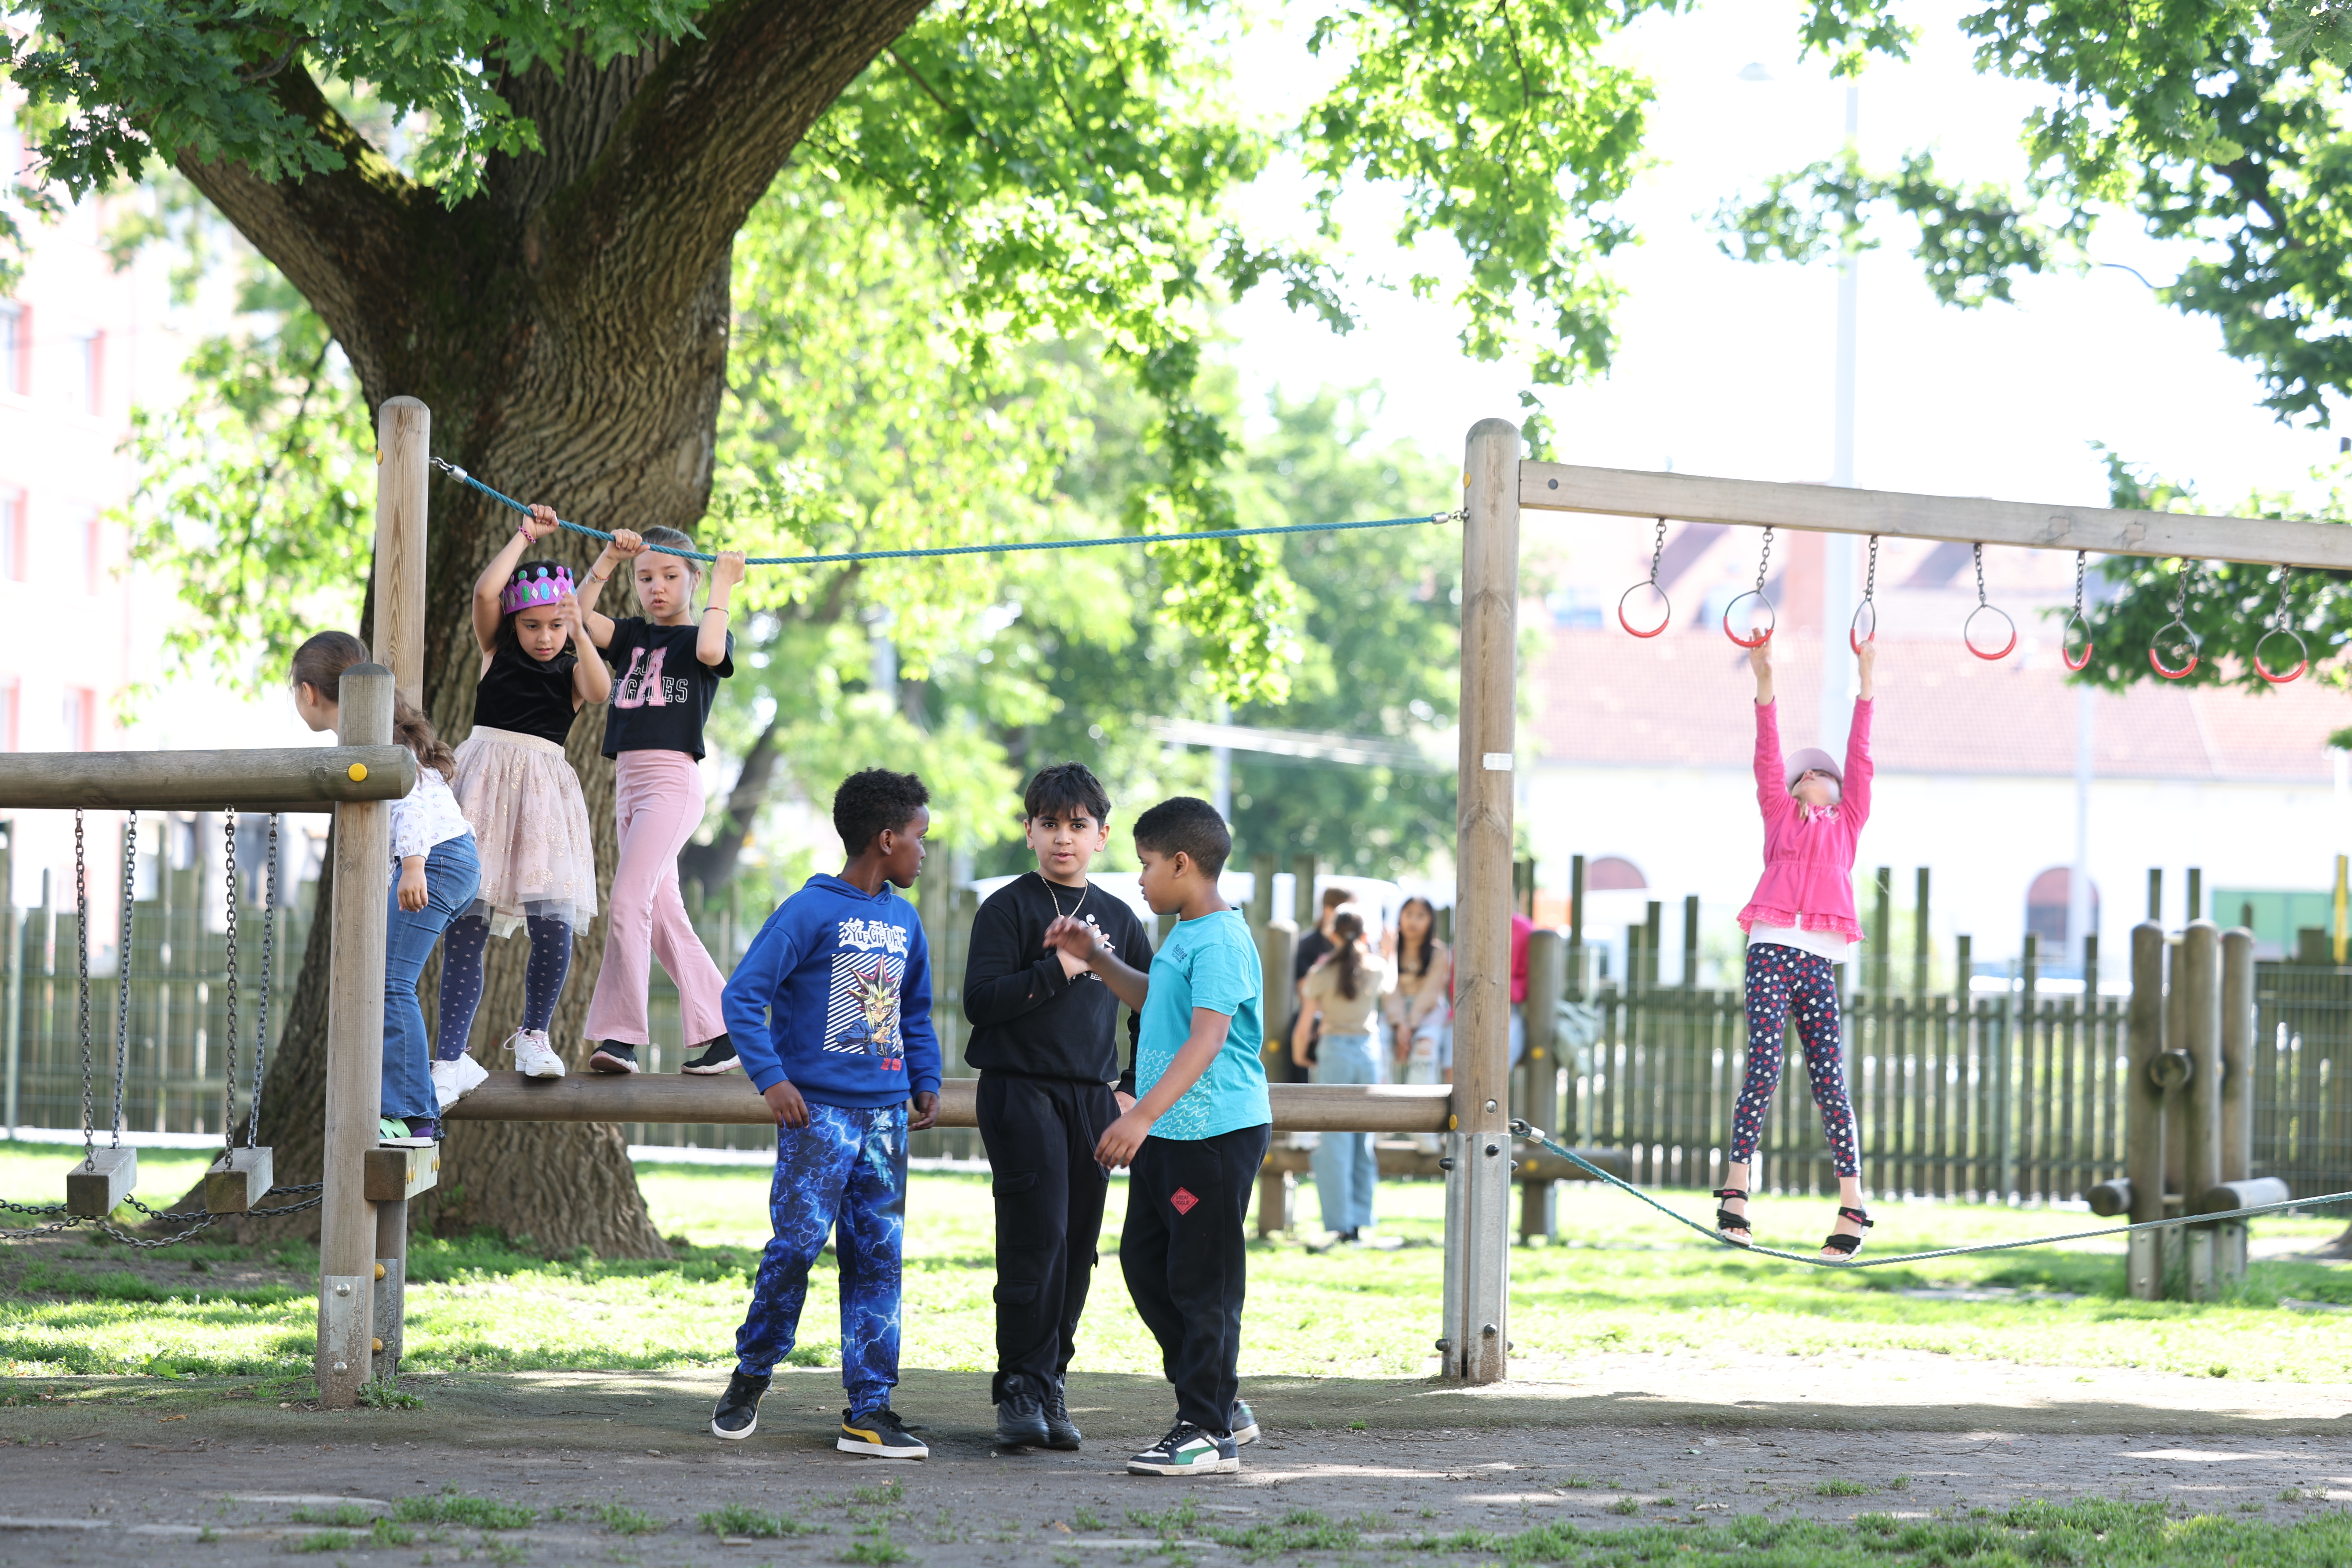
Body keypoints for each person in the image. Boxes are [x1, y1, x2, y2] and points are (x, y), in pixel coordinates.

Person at [707, 769, 943, 1458]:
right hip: (818, 1120)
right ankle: (751, 1376)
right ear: (887, 838)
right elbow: (744, 998)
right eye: (920, 837)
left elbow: (916, 1009)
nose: (925, 851)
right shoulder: (809, 912)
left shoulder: (905, 918)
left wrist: (924, 1078)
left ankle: (870, 1410)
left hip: (888, 1121)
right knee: (795, 1251)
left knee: (878, 1258)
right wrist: (772, 1080)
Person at [1044, 797, 1269, 1477]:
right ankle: (1219, 1403)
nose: (1138, 880)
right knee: (1147, 1265)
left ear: (1181, 862)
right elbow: (1160, 1003)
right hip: (1173, 1132)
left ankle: (1205, 1430)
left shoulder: (1223, 938)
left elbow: (1207, 1040)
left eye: (1145, 865)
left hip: (1213, 1134)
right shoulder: (1187, 934)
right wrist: (1098, 961)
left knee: (1204, 1282)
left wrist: (1137, 1114)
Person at [962, 762, 1154, 1451]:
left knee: (1077, 1250)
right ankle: (1018, 1387)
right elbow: (980, 1005)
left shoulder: (1122, 918)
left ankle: (1051, 1384)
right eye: (1049, 825)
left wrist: (1130, 1088)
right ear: (1029, 832)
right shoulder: (1008, 908)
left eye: (1077, 826)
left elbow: (1152, 1010)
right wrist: (1064, 968)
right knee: (1035, 1238)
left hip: (1092, 1102)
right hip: (1019, 1092)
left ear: (1102, 835)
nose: (1063, 839)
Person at [431, 503, 611, 1096]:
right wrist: (524, 537)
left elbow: (601, 690)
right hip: (483, 788)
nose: (544, 636)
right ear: (515, 625)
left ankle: (536, 1035)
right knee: (468, 921)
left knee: (553, 922)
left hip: (543, 801)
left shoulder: (571, 672)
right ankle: (449, 1057)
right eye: (532, 626)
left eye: (554, 627)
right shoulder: (495, 654)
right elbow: (487, 592)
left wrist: (580, 627)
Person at [1716, 635, 1878, 1261]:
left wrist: (1866, 682)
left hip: (1817, 958)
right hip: (1771, 948)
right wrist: (1765, 681)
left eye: (1825, 773)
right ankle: (1735, 1190)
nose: (1814, 774)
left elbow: (1861, 756)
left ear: (1838, 791)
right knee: (1763, 1067)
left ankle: (1853, 1200)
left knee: (1830, 1078)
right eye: (1805, 772)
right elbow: (1768, 752)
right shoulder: (1779, 813)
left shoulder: (1851, 822)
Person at [289, 632, 480, 1145]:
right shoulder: (375, 729)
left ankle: (413, 1117)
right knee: (388, 978)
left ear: (309, 692)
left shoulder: (377, 738)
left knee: (390, 982)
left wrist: (414, 864)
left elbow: (412, 800)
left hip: (436, 859)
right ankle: (407, 1110)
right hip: (451, 858)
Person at [576, 525, 747, 1076]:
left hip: (672, 783)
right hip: (628, 783)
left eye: (672, 576)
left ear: (692, 579)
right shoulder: (631, 637)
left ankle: (619, 1037)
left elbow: (711, 648)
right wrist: (607, 559)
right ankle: (726, 1029)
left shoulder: (700, 638)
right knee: (662, 915)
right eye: (646, 576)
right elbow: (575, 619)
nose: (657, 587)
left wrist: (722, 584)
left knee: (628, 901)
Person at [1292, 909, 1384, 1244]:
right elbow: (1392, 985)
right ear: (1362, 935)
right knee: (1364, 1139)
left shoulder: (1322, 971)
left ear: (1332, 934)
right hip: (1368, 1052)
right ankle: (1361, 1221)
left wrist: (1300, 1051)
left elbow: (1306, 1021)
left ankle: (1340, 1223)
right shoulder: (1375, 967)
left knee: (1334, 1140)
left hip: (1334, 1051)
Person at [1384, 895, 1450, 1140]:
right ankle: (1380, 1123)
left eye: (1420, 915)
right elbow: (1388, 989)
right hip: (1394, 1012)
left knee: (1425, 1049)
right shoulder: (1390, 946)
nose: (1413, 921)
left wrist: (1409, 1026)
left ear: (1430, 921)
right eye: (1408, 914)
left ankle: (1422, 1127)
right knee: (1376, 1047)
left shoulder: (1438, 952)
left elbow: (1430, 994)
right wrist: (1400, 1023)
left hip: (1428, 1012)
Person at [1287, 885, 1352, 1083]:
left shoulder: (1355, 945)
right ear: (1329, 911)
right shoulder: (1308, 944)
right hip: (1317, 1012)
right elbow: (1304, 991)